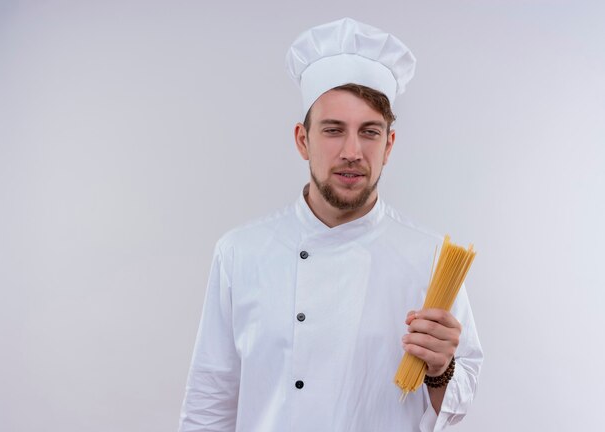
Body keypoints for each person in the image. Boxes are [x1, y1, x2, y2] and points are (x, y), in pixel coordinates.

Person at [178, 17, 483, 432]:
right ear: (303, 139)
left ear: (389, 144)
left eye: (370, 132)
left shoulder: (431, 258)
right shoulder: (240, 252)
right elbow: (210, 400)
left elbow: (456, 406)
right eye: (333, 130)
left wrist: (440, 370)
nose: (352, 151)